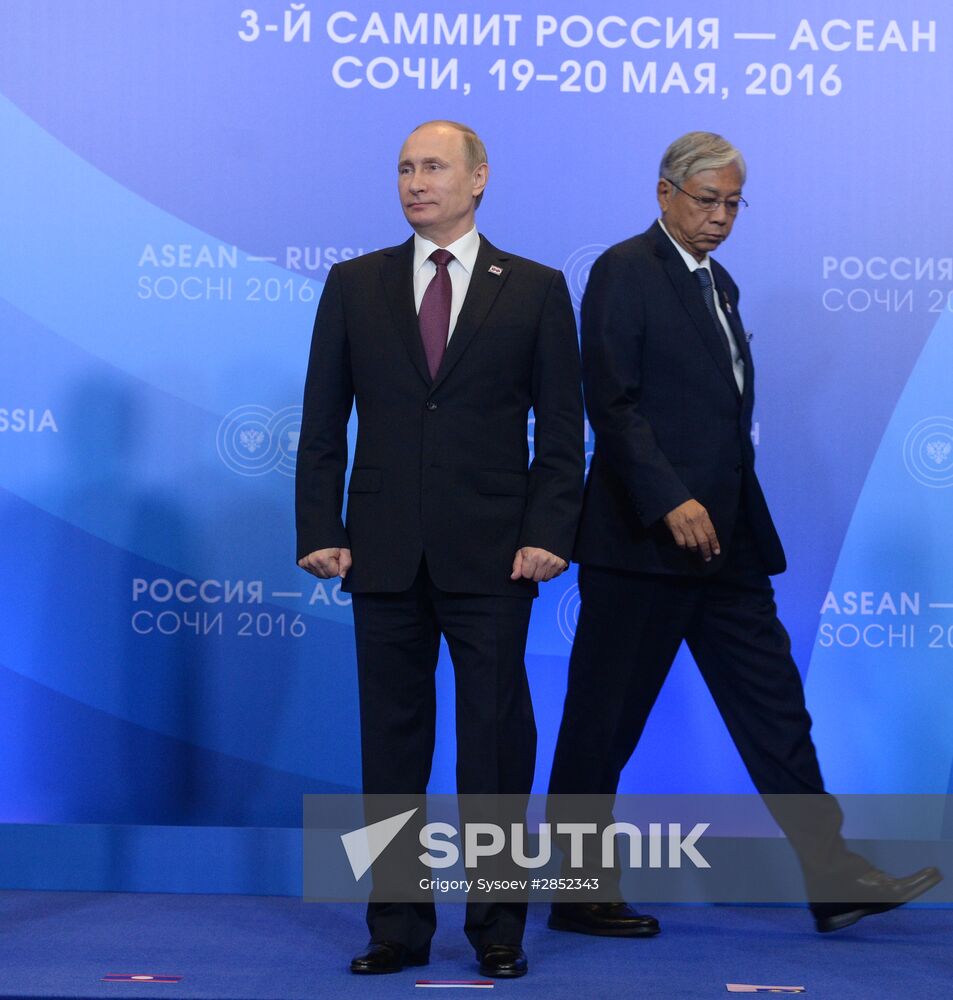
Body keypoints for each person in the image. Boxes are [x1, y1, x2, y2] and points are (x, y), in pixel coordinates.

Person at [546, 130, 940, 937]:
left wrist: (708, 508)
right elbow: (611, 405)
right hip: (641, 545)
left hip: (725, 547)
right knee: (601, 721)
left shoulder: (718, 281)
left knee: (774, 710)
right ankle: (578, 891)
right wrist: (668, 500)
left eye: (732, 203)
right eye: (706, 200)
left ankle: (832, 877)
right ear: (664, 193)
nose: (720, 217)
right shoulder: (624, 270)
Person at [295, 120, 584, 977]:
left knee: (494, 746)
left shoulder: (532, 288)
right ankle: (395, 926)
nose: (415, 181)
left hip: (495, 557)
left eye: (432, 167)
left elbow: (561, 434)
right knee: (391, 749)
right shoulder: (355, 283)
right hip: (379, 554)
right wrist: (319, 529)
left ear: (479, 178)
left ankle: (497, 928)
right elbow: (321, 424)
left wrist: (547, 533)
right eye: (403, 168)